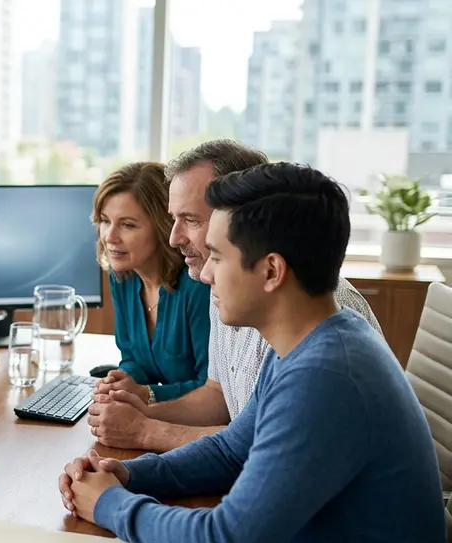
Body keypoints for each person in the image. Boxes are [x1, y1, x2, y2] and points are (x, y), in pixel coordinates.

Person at [60, 163, 449, 543]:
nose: (201, 271)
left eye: (217, 256)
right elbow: (230, 451)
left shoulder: (326, 376)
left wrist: (110, 504)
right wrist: (129, 476)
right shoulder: (310, 342)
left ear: (271, 271)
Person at [87, 140, 381, 451]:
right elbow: (220, 398)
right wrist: (140, 417)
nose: (173, 238)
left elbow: (256, 450)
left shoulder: (311, 316)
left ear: (238, 215)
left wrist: (145, 431)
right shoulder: (222, 283)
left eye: (191, 219)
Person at [92, 162, 210, 404]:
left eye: (127, 225)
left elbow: (214, 389)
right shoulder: (122, 276)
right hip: (158, 416)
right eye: (105, 221)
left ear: (162, 226)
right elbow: (133, 358)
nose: (110, 237)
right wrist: (121, 381)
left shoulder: (198, 285)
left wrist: (148, 394)